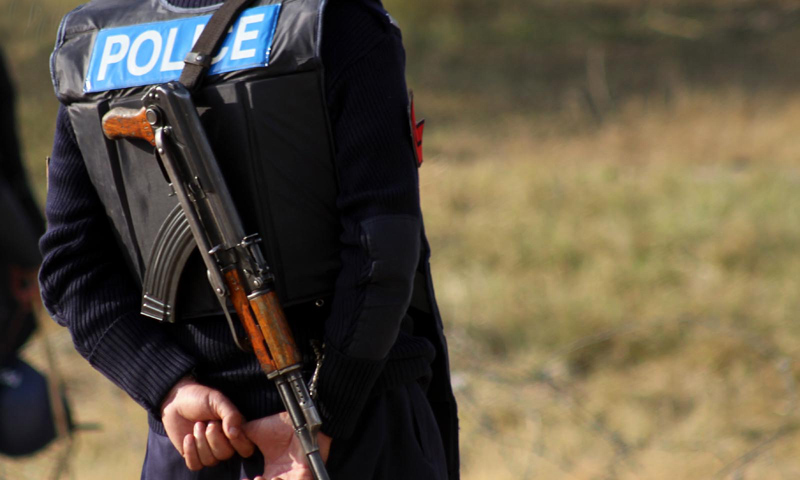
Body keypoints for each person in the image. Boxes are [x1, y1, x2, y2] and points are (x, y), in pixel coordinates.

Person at [40, 0, 459, 478]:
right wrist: (326, 418)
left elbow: (72, 271)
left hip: (196, 443)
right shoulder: (330, 20)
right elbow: (380, 249)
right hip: (352, 434)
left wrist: (168, 387)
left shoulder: (92, 43)